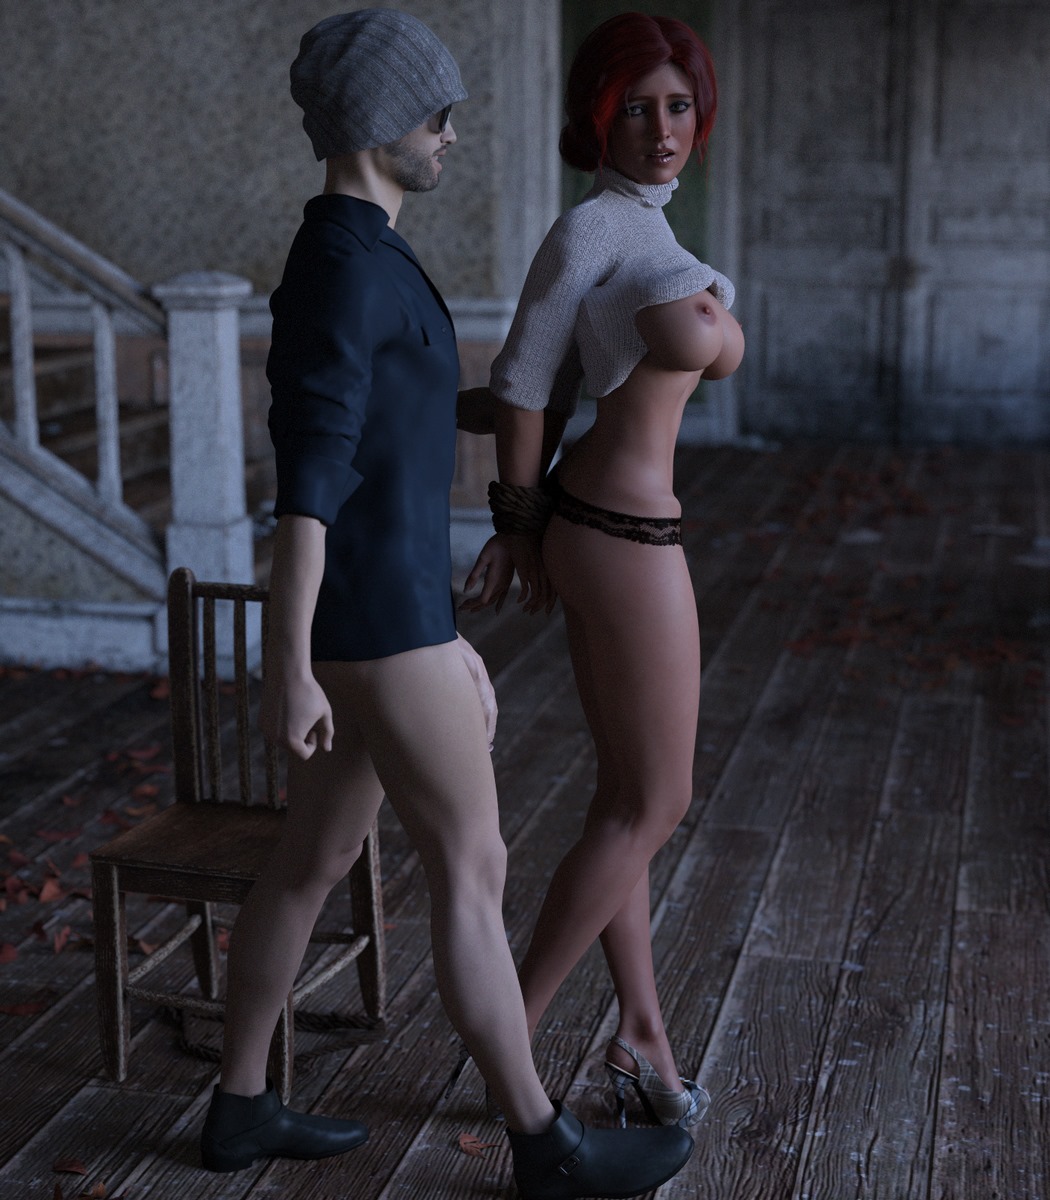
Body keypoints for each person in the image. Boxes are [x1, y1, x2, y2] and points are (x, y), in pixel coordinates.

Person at [198, 10, 695, 1198]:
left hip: (386, 619)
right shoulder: (343, 271)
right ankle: (543, 1144)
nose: (451, 137)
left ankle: (241, 1104)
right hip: (378, 625)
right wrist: (292, 665)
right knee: (474, 865)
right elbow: (310, 487)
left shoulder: (362, 252)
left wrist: (523, 411)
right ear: (380, 125)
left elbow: (400, 430)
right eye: (436, 117)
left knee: (311, 860)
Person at [464, 12, 744, 1130]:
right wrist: (516, 521)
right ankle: (510, 1040)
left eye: (678, 106)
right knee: (658, 799)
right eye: (635, 108)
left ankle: (642, 1034)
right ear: (596, 115)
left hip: (619, 524)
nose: (660, 129)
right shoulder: (588, 231)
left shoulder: (648, 229)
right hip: (616, 535)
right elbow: (524, 382)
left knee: (626, 795)